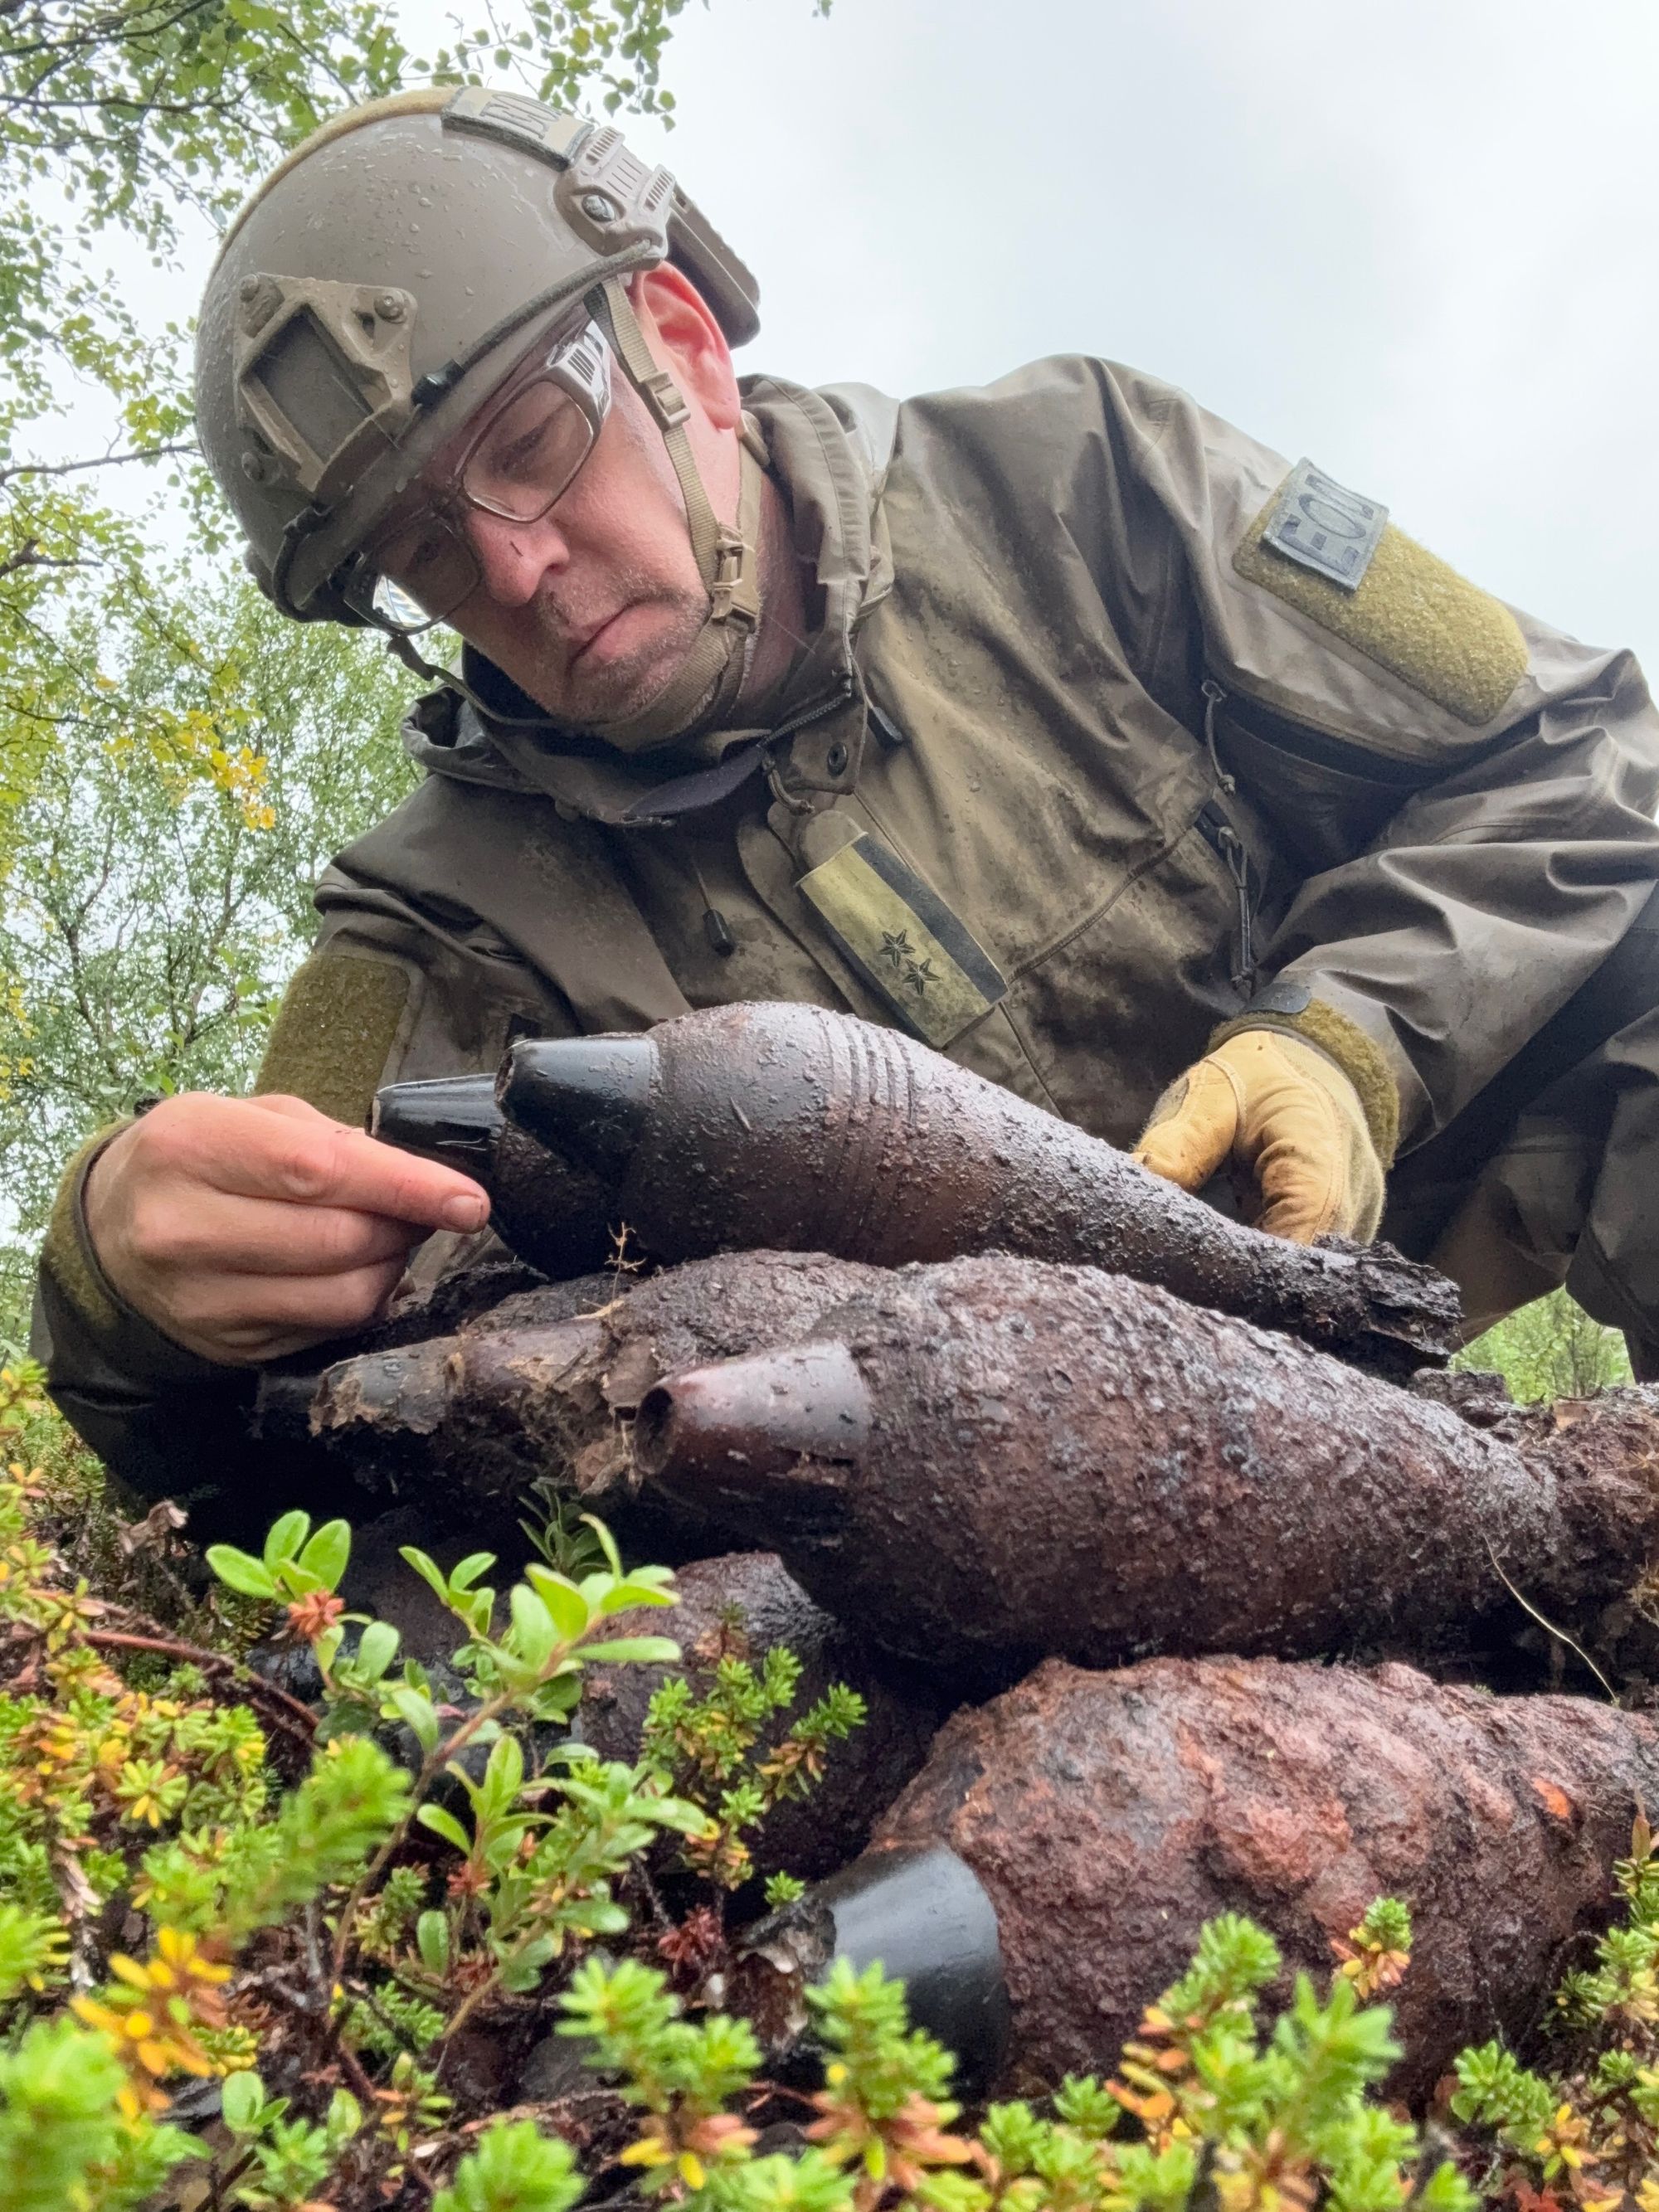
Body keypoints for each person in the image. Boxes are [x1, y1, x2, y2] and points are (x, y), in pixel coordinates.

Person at [33, 87, 1659, 1535]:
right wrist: (127, 1290)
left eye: (532, 443)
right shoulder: (437, 929)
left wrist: (1344, 1040)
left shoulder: (1087, 481)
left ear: (677, 336)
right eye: (430, 555)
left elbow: (1579, 743)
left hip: (1373, 1216)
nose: (514, 568)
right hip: (962, 1513)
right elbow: (291, 1442)